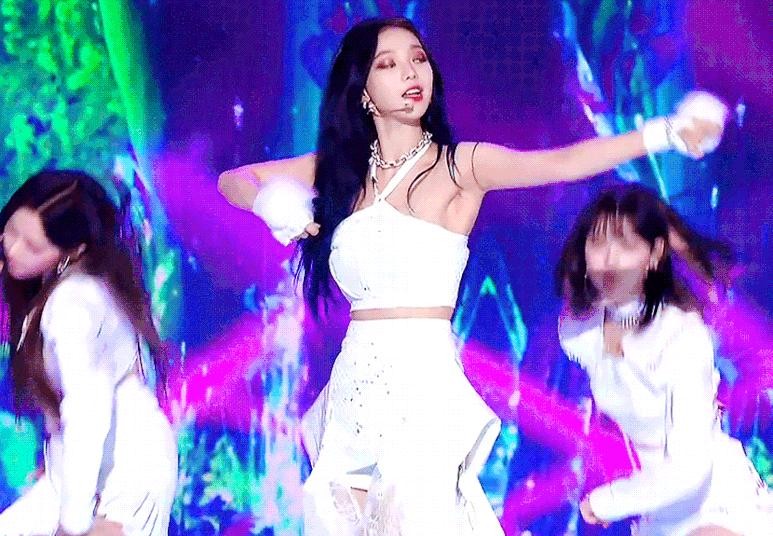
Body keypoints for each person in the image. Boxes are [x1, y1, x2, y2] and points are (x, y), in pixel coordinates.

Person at [218, 17, 728, 535]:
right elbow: (233, 181)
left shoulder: (459, 166)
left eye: (418, 59)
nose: (410, 73)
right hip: (353, 383)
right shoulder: (340, 170)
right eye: (388, 65)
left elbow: (560, 163)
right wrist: (269, 201)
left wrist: (664, 133)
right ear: (364, 92)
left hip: (420, 380)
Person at [556, 184, 771, 535]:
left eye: (625, 245)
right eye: (597, 242)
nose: (609, 259)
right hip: (655, 506)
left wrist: (610, 500)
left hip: (714, 499)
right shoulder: (579, 331)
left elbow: (690, 467)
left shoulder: (681, 335)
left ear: (655, 254)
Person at [0, 171, 178, 536]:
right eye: (11, 230)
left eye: (33, 246)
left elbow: (87, 409)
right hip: (81, 471)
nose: (13, 249)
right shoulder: (66, 287)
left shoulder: (73, 302)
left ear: (73, 251)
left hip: (126, 474)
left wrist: (73, 521)